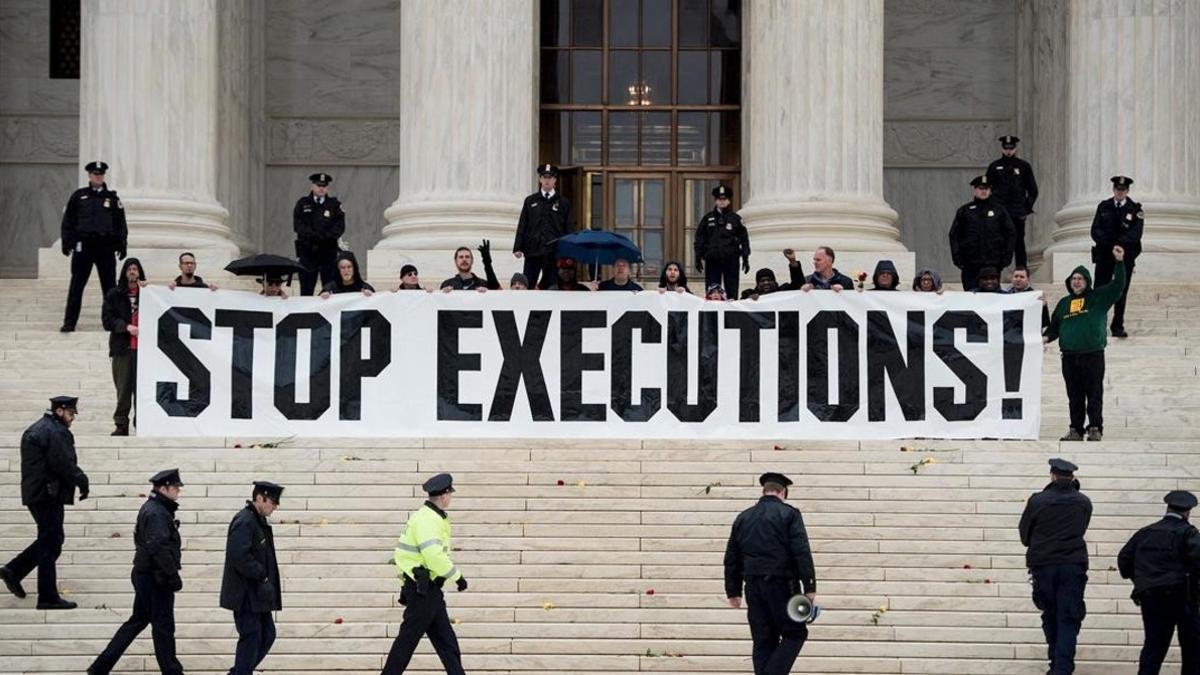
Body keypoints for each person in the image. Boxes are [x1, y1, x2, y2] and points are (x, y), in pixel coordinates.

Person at [87, 469, 185, 675]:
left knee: (137, 621)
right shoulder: (157, 512)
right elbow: (157, 546)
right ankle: (172, 671)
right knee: (163, 627)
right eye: (176, 488)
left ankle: (100, 667)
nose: (178, 492)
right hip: (155, 577)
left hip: (147, 574)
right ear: (164, 488)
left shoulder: (155, 508)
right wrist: (171, 574)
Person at [0, 396, 89, 609]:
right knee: (51, 543)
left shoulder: (41, 428)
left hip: (38, 493)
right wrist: (82, 480)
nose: (72, 418)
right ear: (60, 411)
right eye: (70, 414)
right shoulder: (55, 431)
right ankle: (47, 596)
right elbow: (63, 463)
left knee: (53, 539)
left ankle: (14, 570)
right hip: (48, 494)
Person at [724, 472, 817, 675]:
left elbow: (732, 556)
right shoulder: (790, 514)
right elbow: (801, 551)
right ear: (783, 492)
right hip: (782, 585)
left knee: (763, 639)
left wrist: (733, 591)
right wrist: (810, 587)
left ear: (764, 491)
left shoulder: (743, 517)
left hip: (753, 587)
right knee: (796, 633)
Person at [382, 473, 468, 675]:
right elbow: (433, 555)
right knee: (407, 642)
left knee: (447, 643)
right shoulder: (428, 520)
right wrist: (457, 576)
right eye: (450, 494)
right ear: (445, 495)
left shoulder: (427, 516)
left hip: (429, 590)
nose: (450, 498)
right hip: (423, 590)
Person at [1043, 246, 1127, 442]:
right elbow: (1055, 326)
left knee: (1094, 393)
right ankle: (1076, 429)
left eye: (1080, 278)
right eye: (1073, 278)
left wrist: (1120, 262)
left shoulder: (1098, 297)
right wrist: (1045, 338)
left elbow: (1118, 285)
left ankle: (1095, 427)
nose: (1076, 281)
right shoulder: (1064, 303)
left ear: (1087, 281)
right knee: (1074, 395)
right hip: (1070, 356)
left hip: (1093, 354)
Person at [1018, 458, 1092, 675]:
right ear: (1072, 478)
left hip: (1044, 565)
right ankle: (1062, 667)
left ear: (1052, 475)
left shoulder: (1038, 501)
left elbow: (1024, 535)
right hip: (1072, 566)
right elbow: (1082, 528)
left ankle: (1057, 664)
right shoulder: (1084, 502)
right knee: (1068, 617)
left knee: (1050, 614)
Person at [1118, 490, 1200, 675]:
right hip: (1183, 597)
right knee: (1192, 648)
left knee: (1153, 647)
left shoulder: (1146, 532)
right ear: (1187, 512)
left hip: (1151, 597)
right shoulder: (1188, 532)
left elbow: (1124, 559)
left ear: (1168, 508)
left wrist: (1141, 580)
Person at [220, 481, 284, 675]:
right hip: (246, 595)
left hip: (257, 596)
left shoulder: (257, 521)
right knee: (251, 638)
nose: (275, 506)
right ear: (259, 498)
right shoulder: (245, 520)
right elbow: (238, 555)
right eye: (272, 501)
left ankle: (239, 672)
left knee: (267, 635)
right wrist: (261, 574)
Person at [60, 161, 128, 333]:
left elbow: (120, 223)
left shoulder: (112, 199)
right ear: (89, 176)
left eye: (100, 174)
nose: (98, 176)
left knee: (110, 288)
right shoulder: (79, 196)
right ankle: (69, 322)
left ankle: (111, 322)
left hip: (105, 247)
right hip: (84, 246)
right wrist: (67, 242)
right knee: (77, 285)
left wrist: (122, 244)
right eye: (95, 174)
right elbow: (68, 221)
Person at [1091, 175, 1143, 338]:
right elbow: (1095, 230)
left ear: (1127, 191)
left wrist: (1119, 245)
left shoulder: (1135, 210)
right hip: (1104, 256)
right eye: (1117, 189)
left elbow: (1136, 234)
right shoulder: (1104, 206)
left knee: (1121, 291)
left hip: (1124, 257)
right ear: (1113, 190)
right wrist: (1110, 245)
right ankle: (1097, 324)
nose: (1120, 192)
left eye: (1123, 190)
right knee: (1099, 290)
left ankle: (1117, 325)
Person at [101, 258, 146, 437]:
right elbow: (107, 320)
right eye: (129, 269)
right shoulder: (114, 294)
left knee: (142, 389)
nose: (133, 272)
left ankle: (142, 422)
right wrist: (126, 327)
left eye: (135, 269)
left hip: (144, 351)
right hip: (123, 349)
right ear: (124, 272)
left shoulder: (148, 293)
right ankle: (121, 423)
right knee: (123, 388)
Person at [949, 175, 1015, 290]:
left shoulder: (1000, 210)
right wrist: (957, 258)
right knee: (970, 296)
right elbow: (954, 235)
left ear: (990, 190)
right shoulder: (965, 211)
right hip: (970, 264)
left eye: (987, 188)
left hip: (993, 263)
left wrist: (1007, 257)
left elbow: (1011, 233)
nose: (983, 191)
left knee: (992, 297)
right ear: (974, 190)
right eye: (980, 188)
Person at [514, 164, 572, 289]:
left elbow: (567, 227)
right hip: (533, 251)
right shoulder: (530, 200)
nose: (547, 180)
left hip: (553, 252)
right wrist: (518, 246)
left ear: (555, 180)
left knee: (552, 286)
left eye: (550, 177)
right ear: (540, 179)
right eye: (544, 177)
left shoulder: (563, 202)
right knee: (528, 284)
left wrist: (568, 250)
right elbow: (523, 223)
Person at [986, 135, 1039, 268]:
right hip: (999, 212)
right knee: (996, 242)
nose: (1008, 151)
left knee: (1018, 242)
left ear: (1015, 148)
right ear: (1002, 148)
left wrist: (1026, 209)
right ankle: (994, 272)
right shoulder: (994, 167)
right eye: (1006, 148)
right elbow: (987, 189)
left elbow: (1033, 190)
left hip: (1017, 212)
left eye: (1011, 148)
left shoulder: (1024, 166)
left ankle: (1021, 270)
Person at [293, 172, 345, 296]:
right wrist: (313, 236)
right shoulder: (303, 203)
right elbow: (298, 225)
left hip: (328, 251)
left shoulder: (334, 205)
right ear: (312, 186)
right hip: (308, 251)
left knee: (330, 288)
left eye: (324, 186)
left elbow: (339, 227)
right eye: (318, 185)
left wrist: (325, 237)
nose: (321, 188)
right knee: (306, 288)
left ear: (327, 188)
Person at [695, 185, 750, 298]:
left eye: (724, 199)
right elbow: (700, 238)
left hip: (731, 259)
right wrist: (698, 256)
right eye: (719, 199)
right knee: (712, 291)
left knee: (732, 290)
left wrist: (745, 257)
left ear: (728, 201)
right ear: (716, 201)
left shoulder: (736, 219)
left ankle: (731, 315)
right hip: (712, 259)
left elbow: (744, 239)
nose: (722, 202)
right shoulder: (707, 218)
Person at [741, 249, 805, 299]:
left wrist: (792, 261)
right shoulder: (750, 295)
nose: (766, 283)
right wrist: (749, 300)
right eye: (762, 281)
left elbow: (798, 284)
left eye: (769, 280)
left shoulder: (783, 291)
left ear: (774, 282)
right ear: (757, 284)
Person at [1007, 266, 1051, 331]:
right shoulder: (1005, 295)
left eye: (1022, 277)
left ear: (1028, 279)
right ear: (1012, 278)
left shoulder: (1036, 297)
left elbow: (1044, 323)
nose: (1018, 279)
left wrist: (1044, 307)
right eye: (1016, 276)